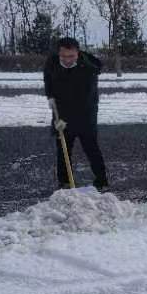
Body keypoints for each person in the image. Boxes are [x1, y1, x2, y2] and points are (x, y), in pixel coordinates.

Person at [43, 37, 108, 190]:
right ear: (59, 53)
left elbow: (83, 99)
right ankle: (65, 182)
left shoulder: (88, 70)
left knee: (91, 148)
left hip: (85, 113)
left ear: (77, 53)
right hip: (61, 110)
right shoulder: (52, 63)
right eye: (63, 56)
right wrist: (50, 97)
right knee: (63, 149)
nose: (67, 60)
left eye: (71, 56)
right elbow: (48, 80)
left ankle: (102, 181)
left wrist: (64, 120)